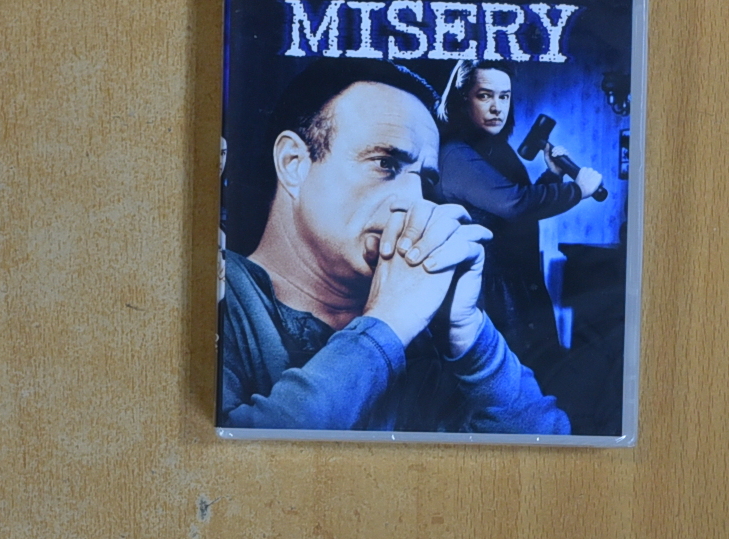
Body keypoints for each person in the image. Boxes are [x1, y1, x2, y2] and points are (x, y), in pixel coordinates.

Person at [218, 59, 570, 435]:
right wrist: (387, 324)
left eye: (427, 182)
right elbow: (228, 454)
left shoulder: (428, 333)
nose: (413, 201)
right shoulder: (216, 293)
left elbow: (547, 446)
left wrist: (469, 334)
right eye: (385, 163)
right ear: (293, 163)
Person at [435, 60, 602, 399]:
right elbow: (515, 203)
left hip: (517, 287)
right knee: (502, 392)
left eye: (504, 96)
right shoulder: (456, 154)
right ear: (462, 99)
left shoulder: (493, 149)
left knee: (535, 387)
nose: (497, 107)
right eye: (484, 95)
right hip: (486, 293)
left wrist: (552, 174)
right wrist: (577, 190)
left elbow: (514, 211)